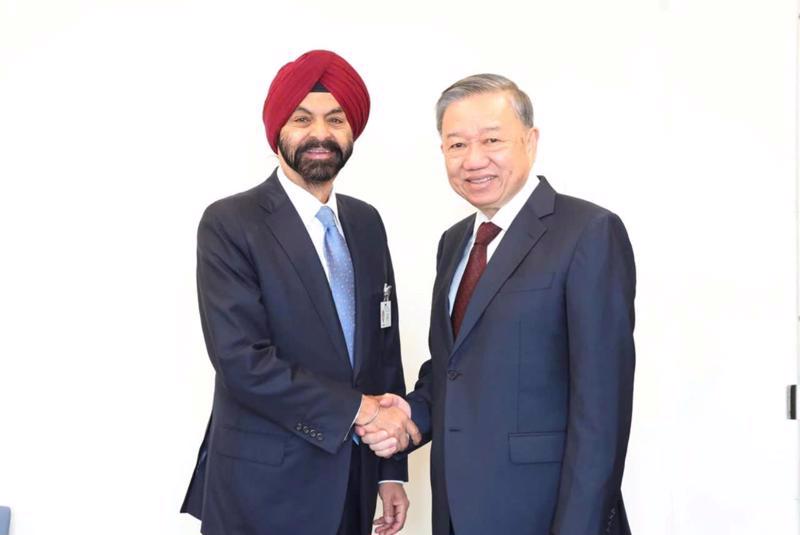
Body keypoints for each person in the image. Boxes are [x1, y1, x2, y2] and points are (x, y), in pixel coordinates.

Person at [358, 74, 636, 535]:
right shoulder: (454, 244)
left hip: (545, 515)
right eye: (457, 145)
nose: (474, 160)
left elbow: (602, 411)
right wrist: (411, 416)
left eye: (492, 140)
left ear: (531, 140)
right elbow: (454, 367)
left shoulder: (588, 233)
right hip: (457, 512)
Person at [181, 49, 420, 535]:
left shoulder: (367, 222)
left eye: (336, 119)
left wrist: (390, 468)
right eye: (302, 118)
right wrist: (364, 411)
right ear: (277, 132)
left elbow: (382, 350)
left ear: (352, 132)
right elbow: (242, 360)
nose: (320, 134)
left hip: (352, 481)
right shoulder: (231, 223)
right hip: (261, 488)